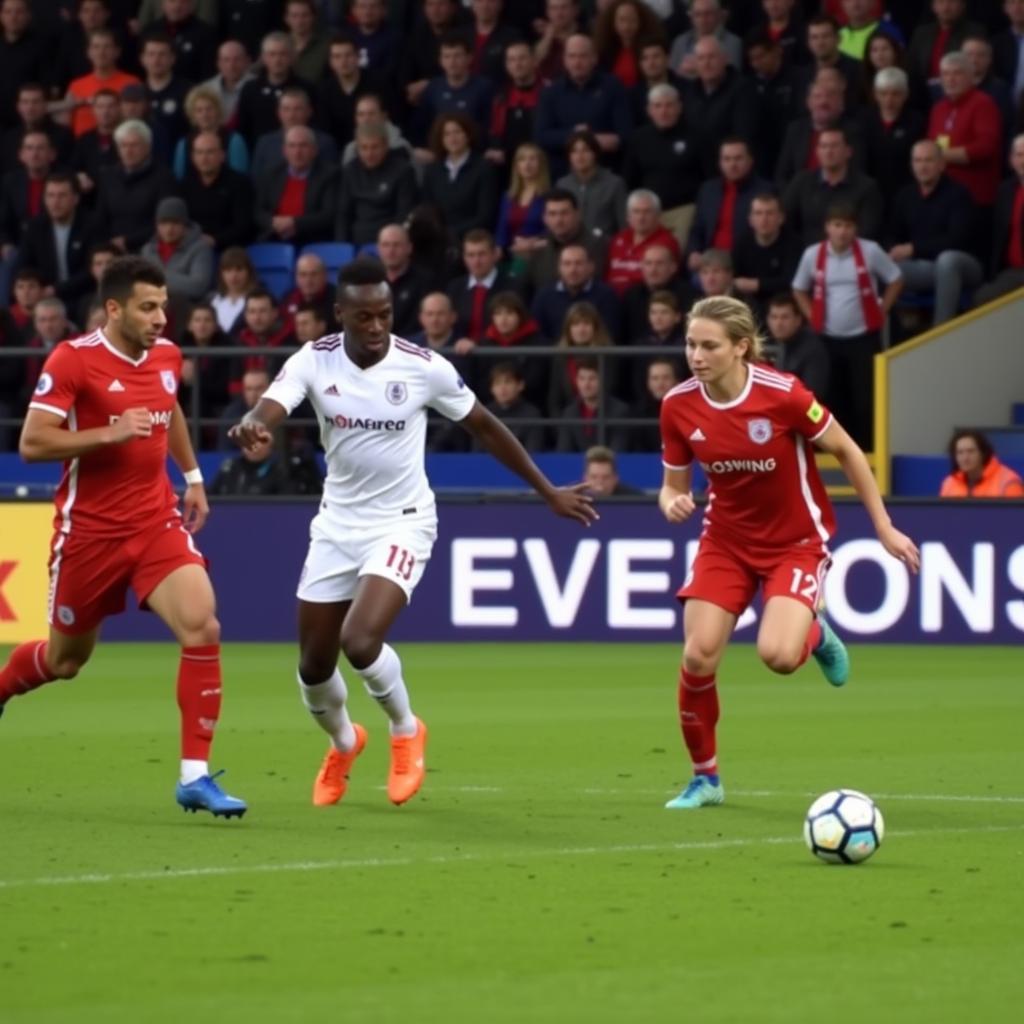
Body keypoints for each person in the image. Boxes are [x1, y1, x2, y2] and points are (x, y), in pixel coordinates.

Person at [228, 258, 596, 809]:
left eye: (384, 315)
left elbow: (486, 426)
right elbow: (272, 404)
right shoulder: (315, 359)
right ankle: (346, 742)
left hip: (402, 521)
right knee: (312, 666)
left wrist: (546, 491)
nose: (377, 327)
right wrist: (256, 423)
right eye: (364, 317)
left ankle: (405, 729)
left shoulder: (423, 368)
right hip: (337, 524)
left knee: (359, 640)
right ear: (341, 316)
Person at [0, 256, 247, 818]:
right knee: (66, 662)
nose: (162, 317)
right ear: (114, 309)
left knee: (202, 622)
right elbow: (33, 444)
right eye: (148, 307)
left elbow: (170, 410)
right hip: (87, 534)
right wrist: (108, 432)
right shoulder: (73, 360)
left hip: (153, 519)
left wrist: (192, 478)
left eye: (163, 305)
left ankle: (195, 776)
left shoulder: (166, 356)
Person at [657, 295, 920, 809]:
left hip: (796, 542)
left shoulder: (784, 395)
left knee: (778, 656)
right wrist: (672, 501)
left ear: (741, 348)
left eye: (709, 345)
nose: (696, 355)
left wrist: (884, 527)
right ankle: (705, 779)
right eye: (690, 344)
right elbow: (671, 485)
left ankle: (816, 634)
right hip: (725, 542)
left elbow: (846, 450)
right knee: (698, 654)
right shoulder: (678, 405)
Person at [792, 204, 902, 450]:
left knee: (865, 399)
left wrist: (882, 310)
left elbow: (895, 279)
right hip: (827, 338)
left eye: (848, 226)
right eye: (837, 225)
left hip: (864, 336)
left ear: (856, 229)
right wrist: (811, 314)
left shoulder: (871, 251)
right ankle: (832, 448)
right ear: (827, 228)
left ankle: (867, 450)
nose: (842, 232)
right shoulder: (813, 254)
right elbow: (798, 288)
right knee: (830, 396)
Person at [939, 428, 1024, 497]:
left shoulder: (1008, 483)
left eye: (971, 451)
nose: (965, 458)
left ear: (983, 453)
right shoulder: (949, 483)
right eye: (960, 452)